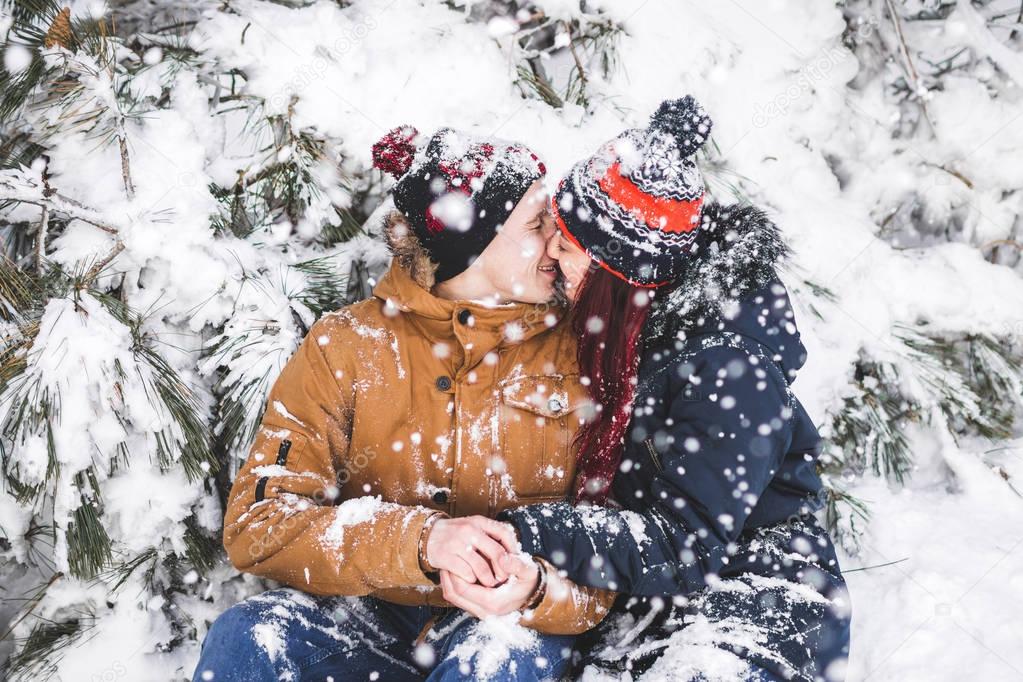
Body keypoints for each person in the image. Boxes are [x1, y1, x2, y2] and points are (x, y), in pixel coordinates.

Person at [191, 125, 615, 682]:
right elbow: (260, 524)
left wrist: (536, 588)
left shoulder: (586, 349)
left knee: (491, 668)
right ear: (472, 242)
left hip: (514, 626)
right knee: (251, 639)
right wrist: (419, 542)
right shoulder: (345, 346)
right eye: (537, 223)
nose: (558, 239)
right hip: (370, 614)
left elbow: (614, 550)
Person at [484, 96, 852, 681]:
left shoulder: (730, 368)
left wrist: (526, 528)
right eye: (558, 229)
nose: (552, 250)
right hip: (644, 590)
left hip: (752, 592)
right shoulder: (624, 326)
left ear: (620, 273)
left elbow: (686, 548)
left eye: (572, 247)